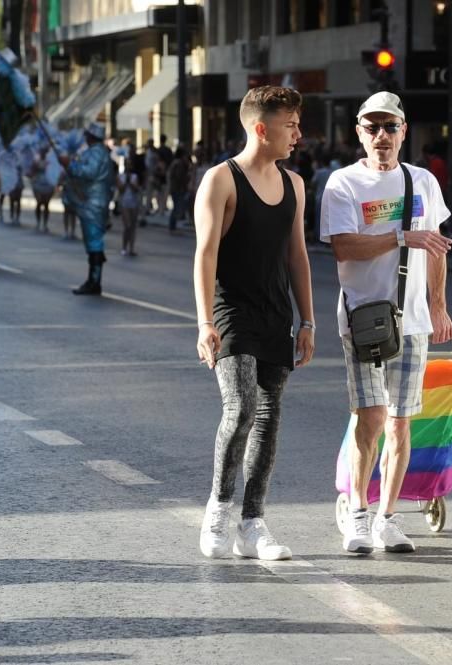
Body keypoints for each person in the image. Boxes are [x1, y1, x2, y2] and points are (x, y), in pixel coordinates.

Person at [320, 91, 452, 554]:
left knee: (400, 423)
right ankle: (357, 512)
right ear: (358, 133)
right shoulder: (343, 184)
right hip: (363, 319)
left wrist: (438, 307)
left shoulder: (422, 183)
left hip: (413, 321)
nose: (382, 136)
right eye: (372, 127)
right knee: (371, 417)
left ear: (404, 131)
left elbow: (435, 248)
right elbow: (343, 247)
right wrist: (400, 235)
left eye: (390, 127)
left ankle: (388, 517)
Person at [193, 86, 314, 561]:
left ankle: (252, 522)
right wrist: (204, 322)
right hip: (232, 313)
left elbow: (298, 256)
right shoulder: (220, 180)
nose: (298, 135)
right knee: (241, 408)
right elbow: (205, 253)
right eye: (290, 125)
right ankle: (219, 511)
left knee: (268, 417)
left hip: (276, 314)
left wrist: (308, 321)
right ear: (261, 129)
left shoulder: (295, 184)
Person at [61, 123, 114, 295]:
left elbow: (88, 172)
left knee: (94, 241)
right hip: (91, 202)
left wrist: (70, 165)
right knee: (92, 242)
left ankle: (94, 281)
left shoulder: (97, 153)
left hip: (93, 203)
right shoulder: (97, 152)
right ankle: (93, 279)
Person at [117, 157, 141, 256]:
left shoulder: (135, 176)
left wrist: (130, 182)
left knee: (133, 226)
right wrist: (126, 181)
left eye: (130, 164)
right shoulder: (120, 176)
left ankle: (131, 248)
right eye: (127, 164)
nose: (128, 166)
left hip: (134, 203)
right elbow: (120, 189)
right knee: (127, 225)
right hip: (124, 203)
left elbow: (136, 189)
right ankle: (124, 247)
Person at [30, 147, 56, 233]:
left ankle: (45, 224)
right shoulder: (36, 160)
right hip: (38, 183)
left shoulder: (50, 161)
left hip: (48, 183)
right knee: (39, 202)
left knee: (46, 204)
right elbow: (32, 171)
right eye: (42, 151)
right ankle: (38, 222)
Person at [167, 147, 191, 233]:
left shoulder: (176, 163)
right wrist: (187, 178)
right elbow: (179, 177)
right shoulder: (179, 163)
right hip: (177, 189)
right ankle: (172, 227)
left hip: (175, 188)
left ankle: (173, 227)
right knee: (176, 208)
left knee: (176, 207)